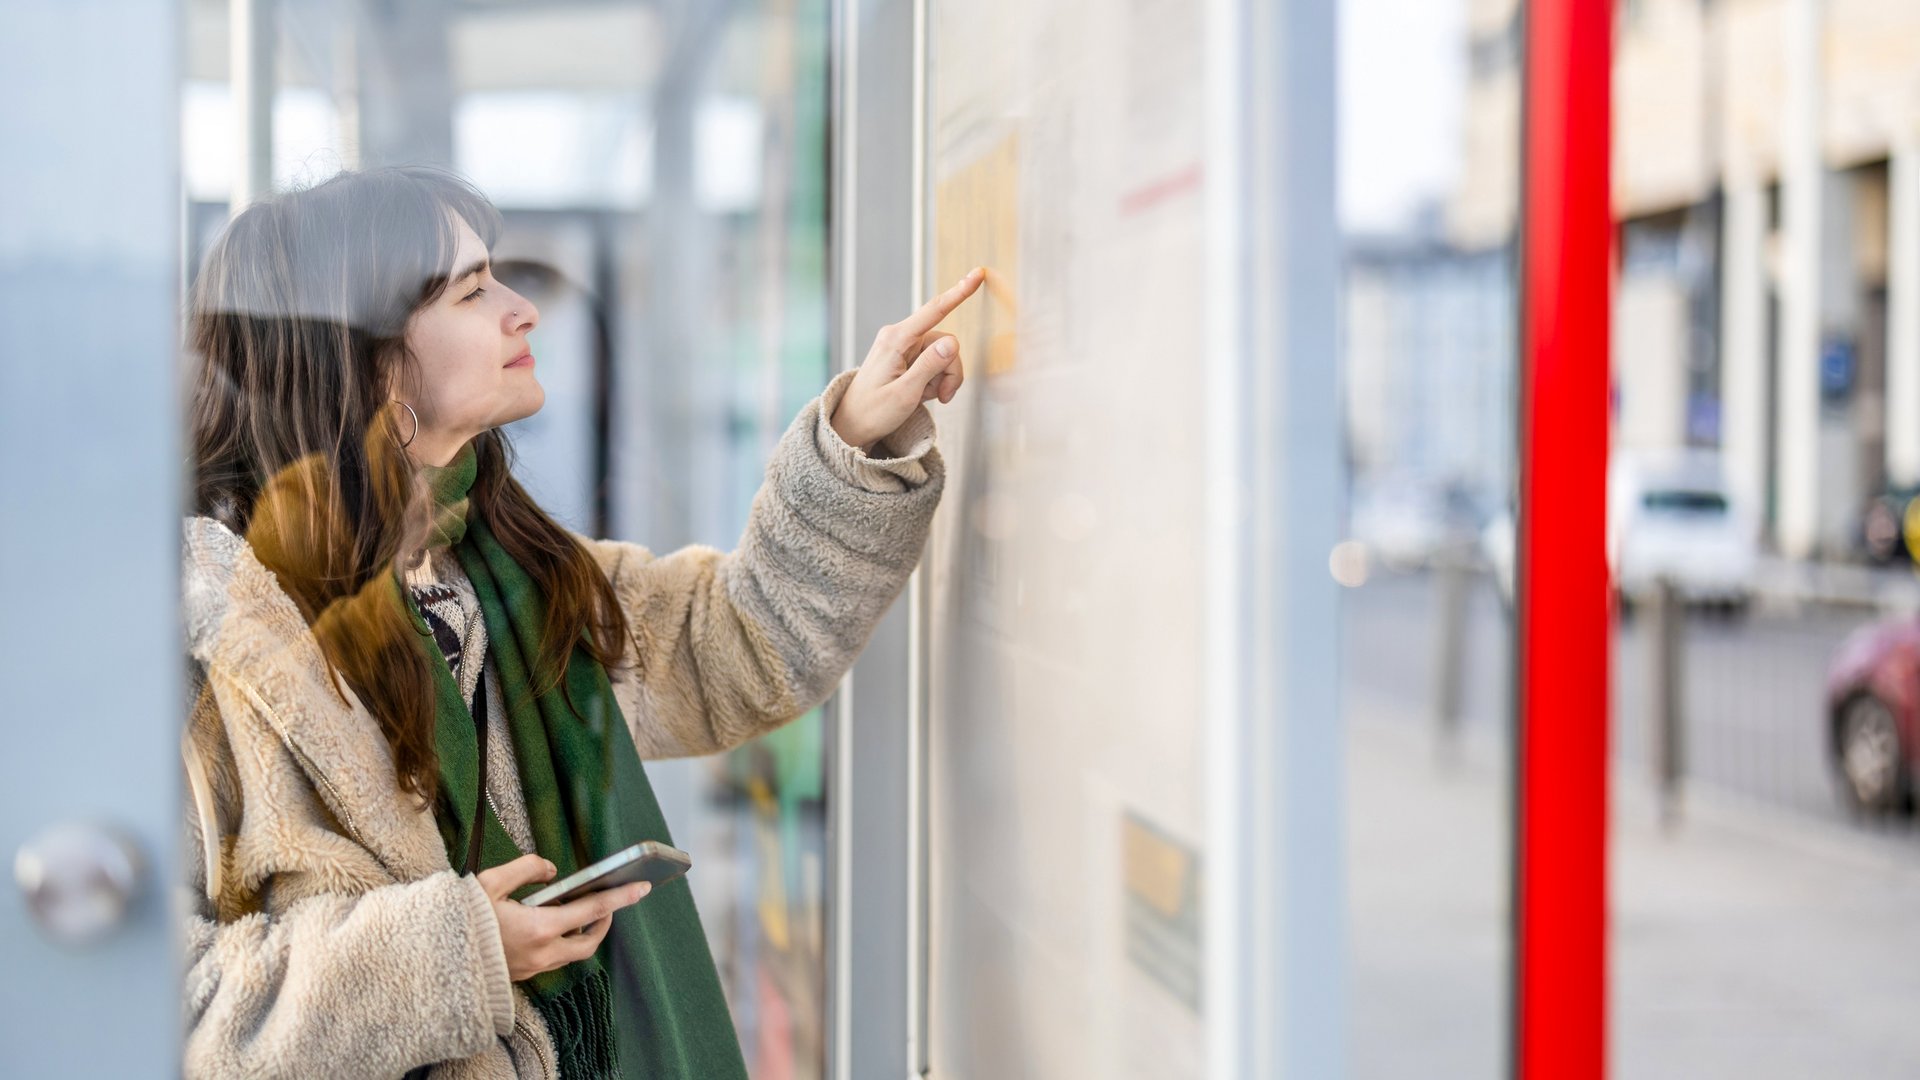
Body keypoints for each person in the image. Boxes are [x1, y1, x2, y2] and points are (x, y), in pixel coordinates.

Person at [178, 165, 982, 1078]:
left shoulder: (513, 573)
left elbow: (742, 640)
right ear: (362, 357)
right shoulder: (200, 642)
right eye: (473, 289)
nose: (522, 309)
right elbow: (160, 1011)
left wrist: (856, 439)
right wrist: (460, 954)